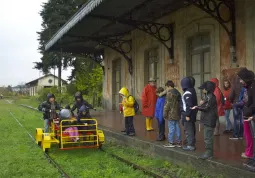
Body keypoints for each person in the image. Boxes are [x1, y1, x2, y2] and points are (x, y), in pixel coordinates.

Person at [191, 81, 218, 160]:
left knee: (208, 137)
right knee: (207, 136)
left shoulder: (210, 97)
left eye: (203, 89)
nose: (202, 90)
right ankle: (208, 152)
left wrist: (197, 107)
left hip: (209, 119)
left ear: (207, 89)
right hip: (208, 119)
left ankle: (209, 153)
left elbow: (206, 108)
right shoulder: (209, 96)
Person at [237, 68, 255, 161]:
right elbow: (247, 101)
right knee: (247, 135)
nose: (240, 81)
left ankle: (250, 153)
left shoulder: (253, 87)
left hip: (251, 117)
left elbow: (253, 103)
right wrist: (240, 104)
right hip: (247, 115)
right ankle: (249, 152)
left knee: (250, 135)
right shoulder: (248, 87)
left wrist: (251, 115)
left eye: (241, 79)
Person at [163, 80, 182, 148]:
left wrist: (164, 114)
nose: (166, 89)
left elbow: (167, 105)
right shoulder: (178, 92)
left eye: (167, 87)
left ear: (169, 86)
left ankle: (171, 142)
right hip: (177, 113)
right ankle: (178, 142)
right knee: (177, 127)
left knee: (171, 128)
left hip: (171, 113)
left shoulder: (169, 94)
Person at [180, 77, 197, 151]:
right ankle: (191, 141)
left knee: (188, 129)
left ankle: (190, 145)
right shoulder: (192, 90)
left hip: (188, 115)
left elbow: (188, 105)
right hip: (192, 113)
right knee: (191, 128)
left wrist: (187, 115)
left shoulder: (187, 93)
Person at [229, 74, 243, 139]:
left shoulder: (234, 85)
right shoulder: (244, 84)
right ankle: (241, 134)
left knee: (236, 120)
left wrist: (231, 102)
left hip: (236, 104)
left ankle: (236, 134)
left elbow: (231, 95)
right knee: (242, 120)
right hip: (243, 103)